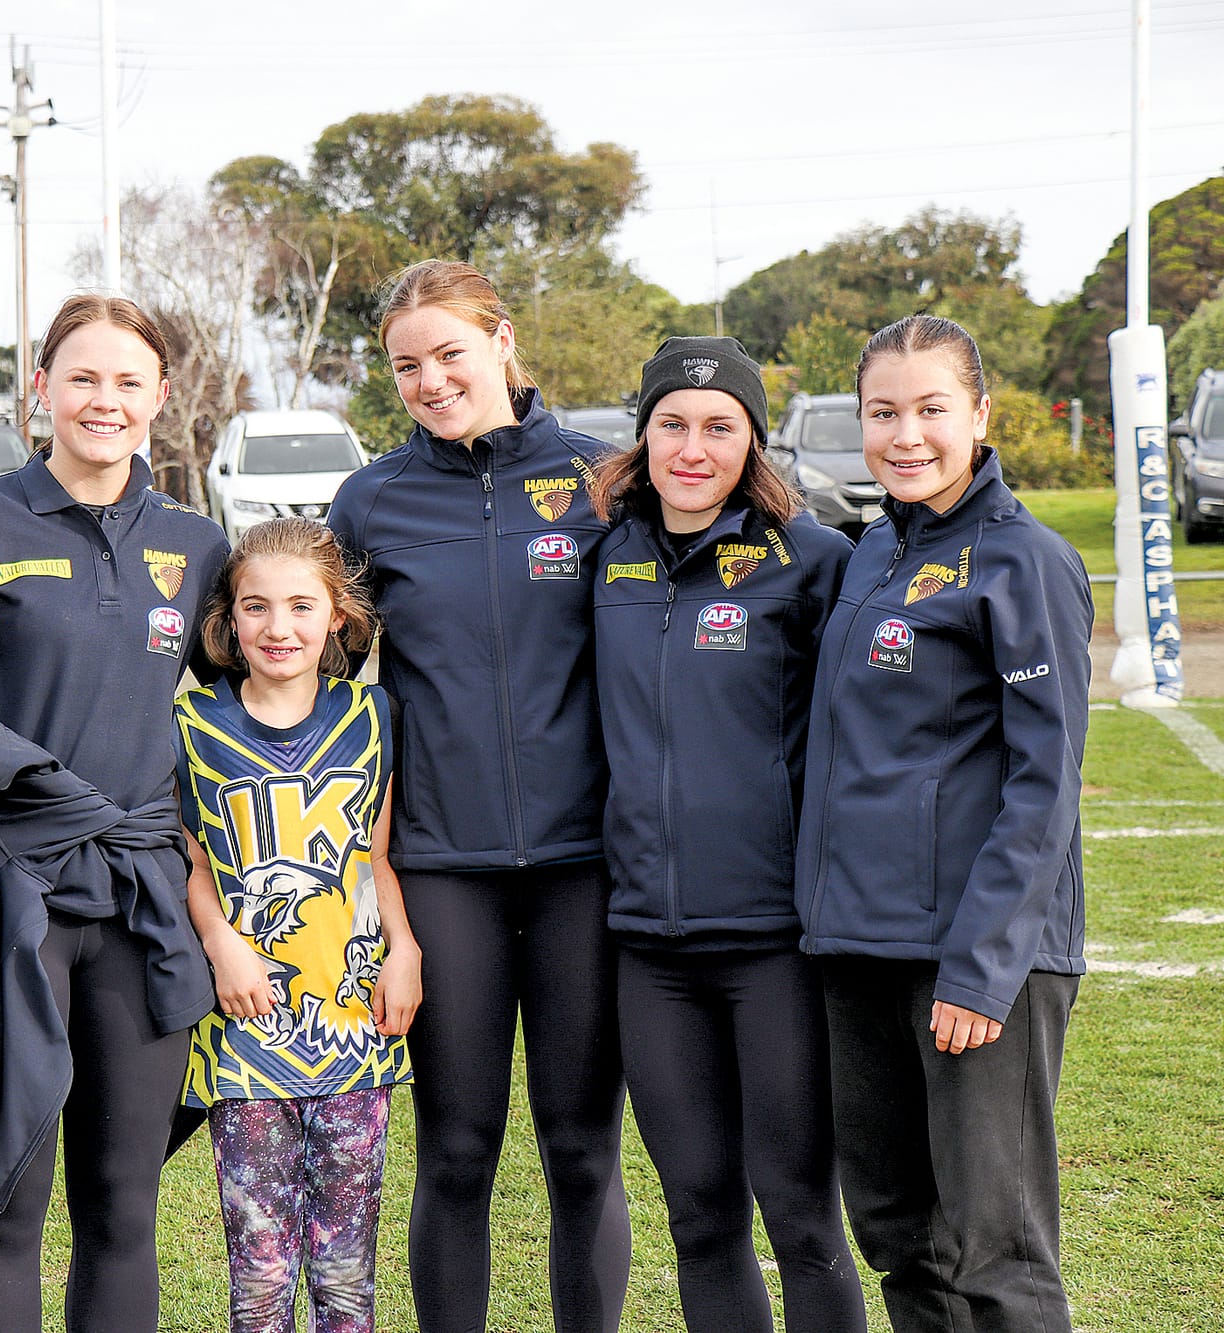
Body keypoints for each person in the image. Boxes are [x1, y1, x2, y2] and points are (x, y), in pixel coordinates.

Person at [327, 259, 628, 1332]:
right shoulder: (369, 499)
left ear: (502, 341)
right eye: (405, 364)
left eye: (448, 351)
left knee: (581, 1147)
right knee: (454, 1147)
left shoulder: (604, 476)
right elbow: (314, 679)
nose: (429, 378)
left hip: (583, 869)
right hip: (440, 867)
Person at [0, 293, 232, 1331]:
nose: (104, 400)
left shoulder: (195, 546)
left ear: (160, 396)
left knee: (122, 1205)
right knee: (4, 1198)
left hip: (139, 899)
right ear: (41, 390)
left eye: (127, 381)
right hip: (10, 891)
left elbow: (250, 703)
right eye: (82, 377)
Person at [797, 314, 1092, 1331]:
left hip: (971, 961)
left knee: (992, 1250)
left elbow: (1042, 779)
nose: (904, 434)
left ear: (978, 412)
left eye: (929, 408)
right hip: (858, 948)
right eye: (882, 411)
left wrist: (979, 965)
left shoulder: (1024, 560)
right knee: (897, 1236)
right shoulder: (871, 547)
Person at [588, 336, 865, 1331]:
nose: (691, 448)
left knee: (799, 1215)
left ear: (751, 441)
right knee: (698, 1217)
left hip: (776, 947)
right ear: (642, 432)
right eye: (671, 424)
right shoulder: (602, 555)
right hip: (648, 951)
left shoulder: (815, 561)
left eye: (718, 427)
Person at [175, 516, 421, 1333]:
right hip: (247, 1032)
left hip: (354, 1029)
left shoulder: (372, 715)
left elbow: (373, 858)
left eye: (301, 606)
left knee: (348, 1273)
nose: (278, 627)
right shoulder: (193, 727)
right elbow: (197, 869)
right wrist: (223, 948)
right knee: (260, 1273)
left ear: (338, 617)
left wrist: (405, 948)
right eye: (256, 607)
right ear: (228, 620)